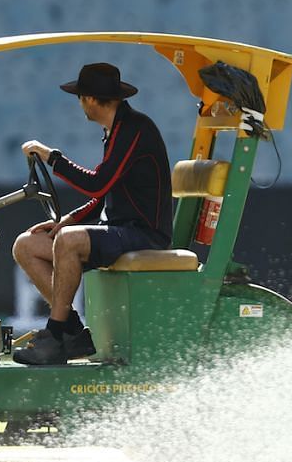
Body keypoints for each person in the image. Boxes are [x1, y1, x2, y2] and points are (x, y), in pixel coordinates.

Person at [12, 62, 173, 365]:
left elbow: (97, 183)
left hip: (144, 234)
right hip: (120, 231)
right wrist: (67, 221)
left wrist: (52, 157)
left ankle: (56, 334)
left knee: (69, 242)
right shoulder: (115, 131)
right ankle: (73, 332)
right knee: (26, 245)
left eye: (80, 98)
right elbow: (105, 192)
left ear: (89, 99)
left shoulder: (135, 130)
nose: (80, 105)